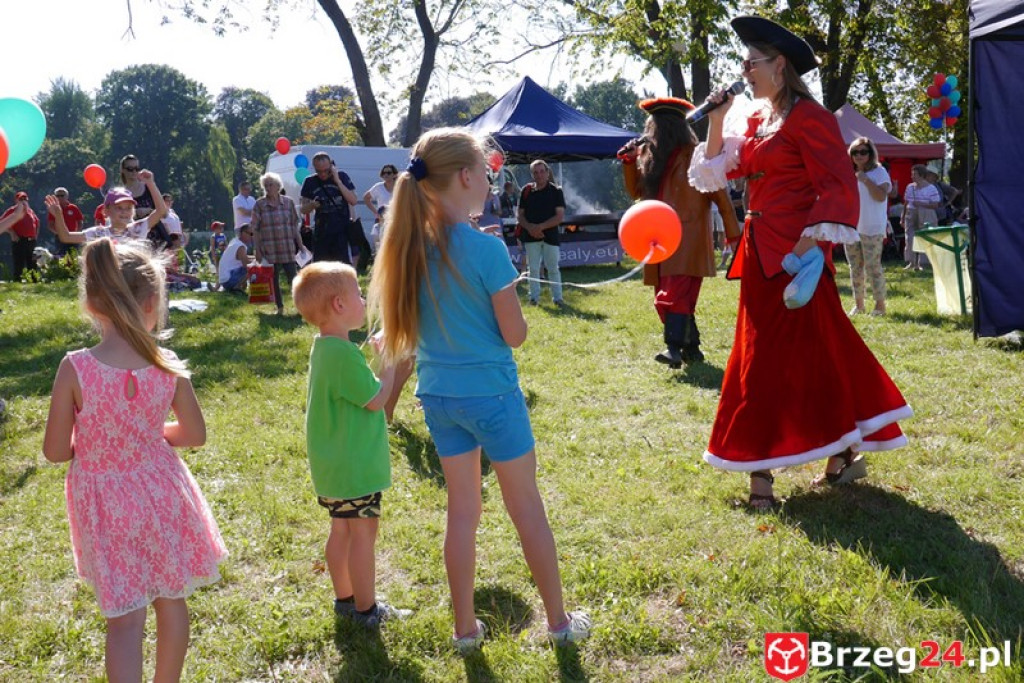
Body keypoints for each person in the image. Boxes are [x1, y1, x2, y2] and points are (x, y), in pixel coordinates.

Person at [368, 128, 591, 653]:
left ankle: (465, 631)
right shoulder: (487, 251)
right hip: (493, 398)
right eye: (487, 174)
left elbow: (408, 332)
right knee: (526, 506)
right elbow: (515, 335)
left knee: (462, 512)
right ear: (465, 178)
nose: (491, 182)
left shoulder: (407, 249)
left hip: (439, 400)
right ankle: (559, 623)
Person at [690, 15, 912, 509]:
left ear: (780, 64)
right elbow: (713, 173)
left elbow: (836, 185)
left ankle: (762, 478)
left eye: (752, 62)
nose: (744, 71)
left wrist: (807, 251)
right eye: (743, 61)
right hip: (761, 258)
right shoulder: (758, 120)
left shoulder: (810, 117)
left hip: (796, 264)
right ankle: (845, 452)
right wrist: (716, 119)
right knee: (810, 358)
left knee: (771, 362)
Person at [41, 238, 226, 682]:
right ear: (151, 302)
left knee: (125, 620)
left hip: (106, 503)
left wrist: (96, 441)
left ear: (90, 302)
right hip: (162, 494)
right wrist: (147, 434)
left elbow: (54, 451)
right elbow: (194, 435)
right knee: (171, 599)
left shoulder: (75, 368)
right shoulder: (166, 364)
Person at [291, 261, 411, 628]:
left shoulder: (325, 347)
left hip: (333, 468)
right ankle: (366, 610)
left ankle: (345, 599)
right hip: (355, 468)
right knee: (363, 535)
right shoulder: (343, 355)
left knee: (340, 529)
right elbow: (376, 398)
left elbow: (359, 387)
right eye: (358, 293)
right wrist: (389, 359)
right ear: (340, 306)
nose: (363, 299)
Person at [618, 97, 741, 367]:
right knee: (672, 296)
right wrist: (629, 162)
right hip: (657, 240)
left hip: (688, 240)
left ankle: (673, 348)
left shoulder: (697, 154)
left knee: (673, 296)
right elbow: (636, 192)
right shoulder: (650, 158)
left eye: (655, 126)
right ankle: (692, 349)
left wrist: (735, 236)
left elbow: (720, 194)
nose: (651, 132)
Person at [48, 175, 168, 247]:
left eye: (128, 208)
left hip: (134, 284)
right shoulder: (99, 234)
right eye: (119, 208)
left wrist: (150, 183)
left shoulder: (138, 228)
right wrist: (58, 215)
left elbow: (161, 211)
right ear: (106, 211)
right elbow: (66, 237)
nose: (124, 212)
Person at [846, 137, 891, 316]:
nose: (859, 156)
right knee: (854, 267)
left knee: (873, 267)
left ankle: (880, 306)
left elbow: (881, 196)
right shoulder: (848, 173)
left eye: (863, 152)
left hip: (872, 226)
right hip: (850, 227)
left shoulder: (879, 172)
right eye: (855, 152)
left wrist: (865, 180)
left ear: (871, 154)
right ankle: (859, 305)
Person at [251, 172, 305, 315]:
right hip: (270, 248)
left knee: (293, 279)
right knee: (273, 280)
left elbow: (294, 226)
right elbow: (255, 229)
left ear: (278, 186)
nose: (268, 188)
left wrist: (300, 245)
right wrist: (257, 249)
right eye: (265, 185)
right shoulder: (259, 204)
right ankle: (279, 307)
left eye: (271, 184)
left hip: (287, 247)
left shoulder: (288, 202)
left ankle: (300, 307)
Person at [517, 160, 566, 306]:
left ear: (547, 172)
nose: (539, 175)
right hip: (530, 236)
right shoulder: (526, 191)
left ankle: (558, 298)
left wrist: (540, 227)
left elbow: (559, 217)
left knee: (553, 268)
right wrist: (531, 228)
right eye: (535, 172)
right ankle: (534, 298)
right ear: (532, 174)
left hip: (550, 236)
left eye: (542, 171)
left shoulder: (556, 191)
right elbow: (520, 215)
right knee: (533, 268)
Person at [300, 152, 360, 265]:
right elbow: (303, 209)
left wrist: (338, 181)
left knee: (342, 267)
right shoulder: (310, 181)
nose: (322, 174)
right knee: (321, 267)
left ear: (331, 166)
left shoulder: (342, 176)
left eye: (326, 170)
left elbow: (353, 200)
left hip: (341, 231)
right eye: (319, 171)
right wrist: (312, 205)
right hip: (321, 232)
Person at [901, 164, 941, 271]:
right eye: (912, 174)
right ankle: (912, 262)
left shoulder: (931, 188)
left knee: (925, 237)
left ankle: (923, 263)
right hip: (911, 213)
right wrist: (902, 217)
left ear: (922, 175)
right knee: (910, 238)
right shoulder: (910, 187)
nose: (912, 176)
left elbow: (936, 205)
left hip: (926, 214)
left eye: (915, 174)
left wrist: (922, 204)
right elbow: (906, 202)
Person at [2, 191, 40, 280]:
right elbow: (2, 222)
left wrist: (36, 235)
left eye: (25, 198)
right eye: (21, 199)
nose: (23, 200)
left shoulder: (30, 211)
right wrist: (12, 232)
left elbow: (37, 223)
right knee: (19, 263)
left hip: (31, 241)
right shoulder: (12, 210)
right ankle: (17, 282)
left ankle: (34, 282)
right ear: (16, 200)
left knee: (33, 263)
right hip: (19, 240)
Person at [363, 164, 398, 253]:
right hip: (382, 220)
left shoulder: (399, 187)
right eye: (383, 173)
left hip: (397, 220)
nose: (385, 175)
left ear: (394, 174)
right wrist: (376, 212)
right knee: (381, 247)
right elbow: (366, 198)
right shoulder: (378, 187)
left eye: (389, 173)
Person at [216, 223, 253, 292]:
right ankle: (237, 287)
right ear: (243, 233)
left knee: (248, 266)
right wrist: (258, 261)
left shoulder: (234, 241)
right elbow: (246, 264)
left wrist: (254, 258)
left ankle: (240, 287)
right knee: (253, 267)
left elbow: (242, 257)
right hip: (229, 281)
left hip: (224, 281)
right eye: (250, 234)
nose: (251, 236)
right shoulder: (241, 246)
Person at [48, 187, 84, 256]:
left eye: (62, 195)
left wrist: (77, 232)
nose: (60, 197)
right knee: (61, 256)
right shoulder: (54, 209)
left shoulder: (73, 208)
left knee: (74, 255)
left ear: (67, 196)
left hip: (73, 236)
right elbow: (50, 225)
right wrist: (59, 233)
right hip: (60, 238)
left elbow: (80, 221)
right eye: (57, 196)